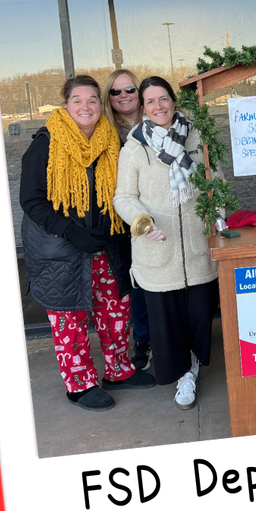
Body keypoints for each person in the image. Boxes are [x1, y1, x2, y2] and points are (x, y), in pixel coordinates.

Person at [20, 75, 154, 412]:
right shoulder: (46, 142)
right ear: (66, 104)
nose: (86, 106)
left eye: (92, 99)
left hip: (106, 243)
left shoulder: (111, 140)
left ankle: (119, 370)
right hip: (62, 247)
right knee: (70, 317)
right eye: (77, 99)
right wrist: (69, 229)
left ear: (101, 104)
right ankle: (79, 384)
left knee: (115, 310)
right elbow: (31, 200)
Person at [113, 76, 219, 410]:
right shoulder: (134, 148)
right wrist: (142, 222)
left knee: (201, 315)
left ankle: (195, 360)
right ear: (143, 108)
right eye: (150, 102)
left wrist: (217, 213)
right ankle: (183, 375)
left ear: (173, 100)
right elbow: (124, 197)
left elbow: (214, 181)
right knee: (167, 321)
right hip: (158, 248)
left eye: (163, 99)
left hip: (197, 245)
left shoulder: (197, 137)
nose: (158, 106)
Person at [102, 69, 152, 373]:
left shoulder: (160, 122)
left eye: (129, 90)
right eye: (116, 92)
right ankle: (143, 341)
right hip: (122, 221)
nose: (123, 96)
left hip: (160, 217)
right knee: (137, 286)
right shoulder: (104, 131)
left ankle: (169, 339)